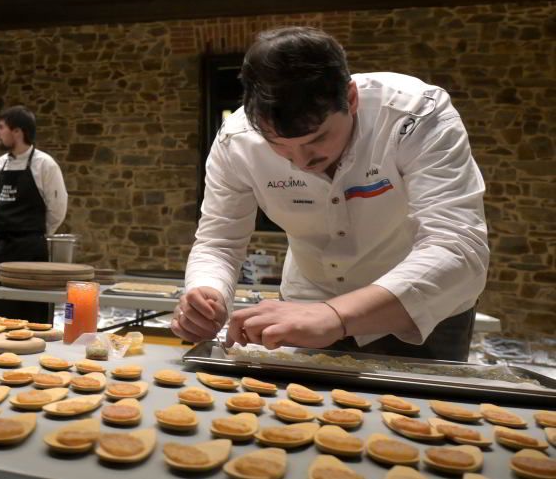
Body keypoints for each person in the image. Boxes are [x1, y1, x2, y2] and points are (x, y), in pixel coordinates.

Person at [174, 27, 489, 361]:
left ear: (350, 98)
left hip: (421, 309)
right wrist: (207, 291)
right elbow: (219, 242)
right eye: (279, 147)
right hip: (304, 305)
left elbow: (458, 248)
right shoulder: (237, 141)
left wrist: (336, 315)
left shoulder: (414, 114)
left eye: (317, 139)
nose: (302, 161)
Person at [0, 106, 68, 322]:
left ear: (17, 131)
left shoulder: (45, 164)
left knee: (28, 315)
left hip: (29, 252)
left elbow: (58, 209)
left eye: (1, 127)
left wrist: (34, 235)